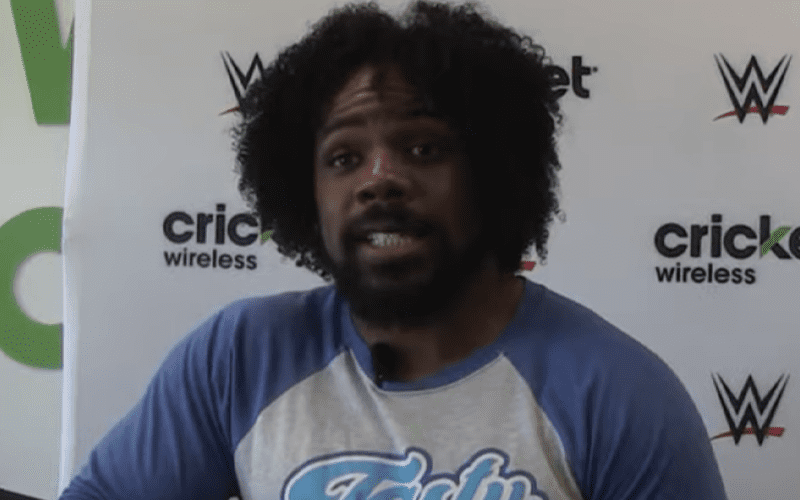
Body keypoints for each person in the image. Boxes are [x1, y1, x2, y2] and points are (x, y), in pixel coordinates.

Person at [59, 1, 728, 499]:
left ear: (494, 172)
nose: (378, 180)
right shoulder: (241, 358)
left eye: (424, 148)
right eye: (343, 157)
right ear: (304, 192)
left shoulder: (618, 395)